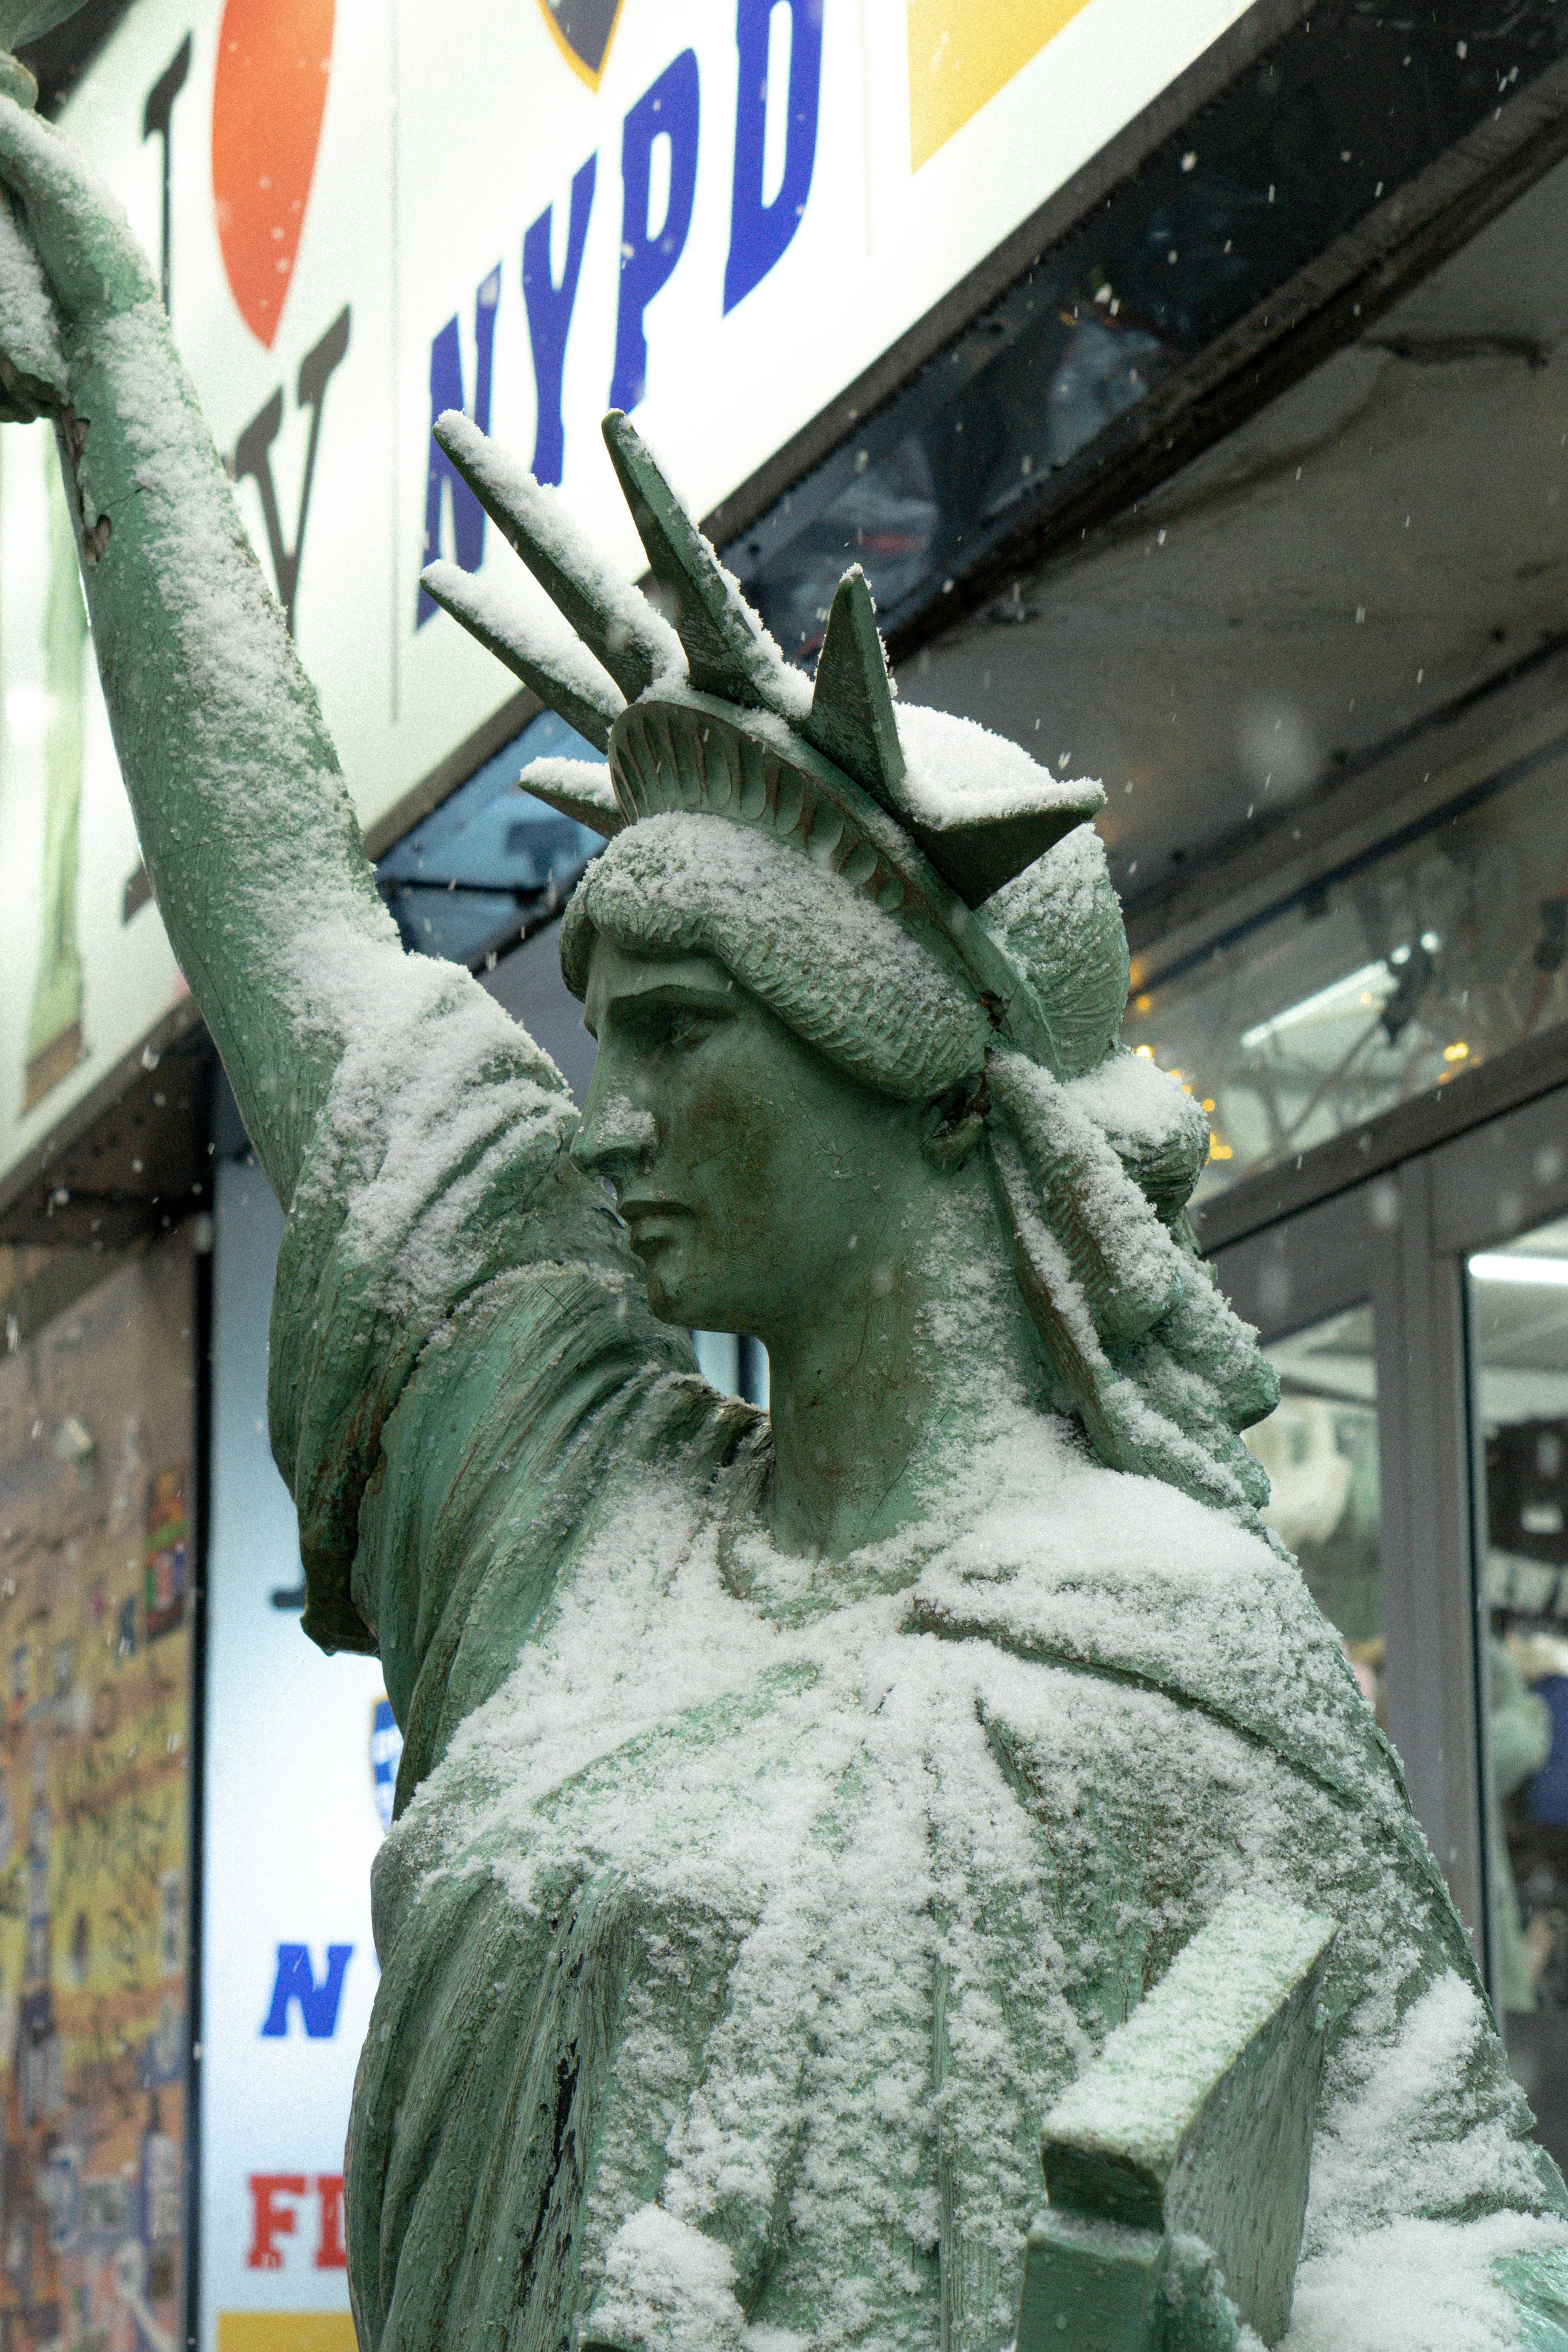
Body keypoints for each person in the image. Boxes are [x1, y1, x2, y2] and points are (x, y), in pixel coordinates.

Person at [2, 86, 1568, 2352]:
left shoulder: (1169, 1649)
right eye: (600, 1032)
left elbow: (1462, 2233)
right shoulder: (569, 1511)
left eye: (683, 1035)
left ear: (922, 1082)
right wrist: (133, 389)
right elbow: (309, 962)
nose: (606, 1115)